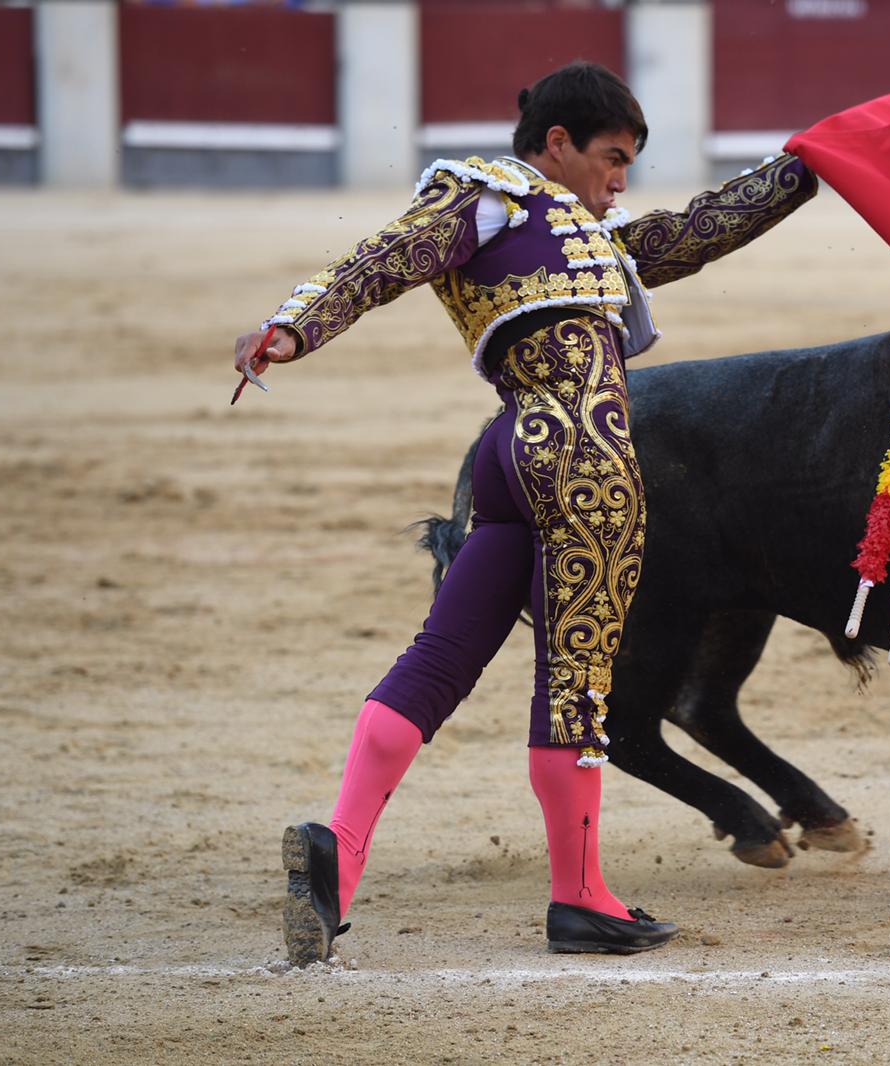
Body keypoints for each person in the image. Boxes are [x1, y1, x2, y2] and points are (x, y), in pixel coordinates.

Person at [234, 61, 816, 965]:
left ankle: (337, 855)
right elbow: (385, 261)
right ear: (557, 144)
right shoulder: (490, 196)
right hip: (583, 454)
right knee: (577, 680)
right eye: (611, 158)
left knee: (439, 659)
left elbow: (700, 230)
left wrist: (809, 165)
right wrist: (293, 325)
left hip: (506, 452)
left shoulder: (579, 230)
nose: (620, 181)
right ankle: (580, 897)